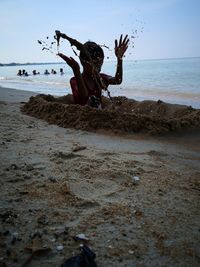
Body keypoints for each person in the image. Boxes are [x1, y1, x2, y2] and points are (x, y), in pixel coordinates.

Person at [56, 31, 129, 108]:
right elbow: (84, 96)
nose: (99, 66)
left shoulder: (100, 78)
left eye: (101, 62)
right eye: (95, 63)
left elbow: (118, 80)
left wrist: (119, 59)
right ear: (83, 62)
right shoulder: (74, 80)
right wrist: (76, 71)